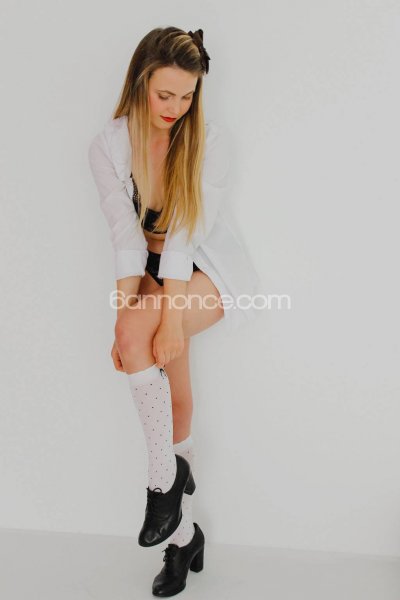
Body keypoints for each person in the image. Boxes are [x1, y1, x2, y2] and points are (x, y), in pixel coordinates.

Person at [88, 26, 262, 597]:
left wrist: (161, 319)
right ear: (140, 82)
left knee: (149, 343)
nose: (176, 107)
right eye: (165, 94)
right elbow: (124, 237)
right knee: (176, 401)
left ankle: (163, 485)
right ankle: (183, 538)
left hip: (207, 274)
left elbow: (187, 232)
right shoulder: (108, 145)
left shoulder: (210, 141)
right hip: (151, 273)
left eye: (187, 96)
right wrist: (128, 320)